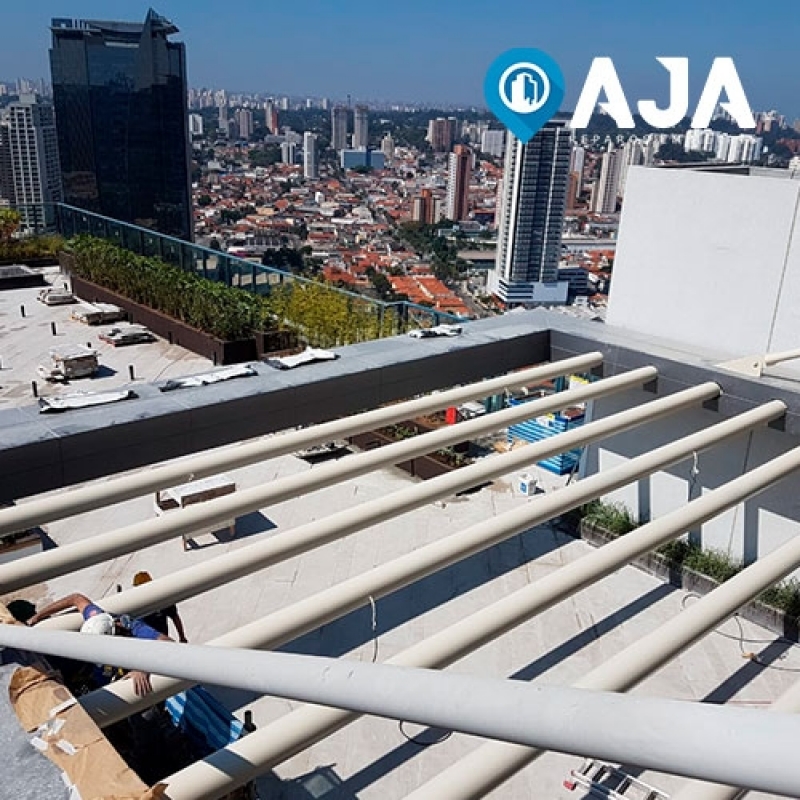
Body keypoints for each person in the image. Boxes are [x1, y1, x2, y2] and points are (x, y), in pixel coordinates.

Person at [27, 592, 172, 697]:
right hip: (101, 676)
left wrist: (143, 668)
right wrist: (38, 616)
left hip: (127, 680)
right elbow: (76, 598)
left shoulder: (136, 630)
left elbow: (169, 644)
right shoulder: (96, 619)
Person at [132, 571, 188, 642]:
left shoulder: (160, 599)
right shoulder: (135, 603)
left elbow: (175, 617)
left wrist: (182, 637)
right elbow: (175, 617)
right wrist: (182, 637)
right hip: (153, 641)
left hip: (158, 640)